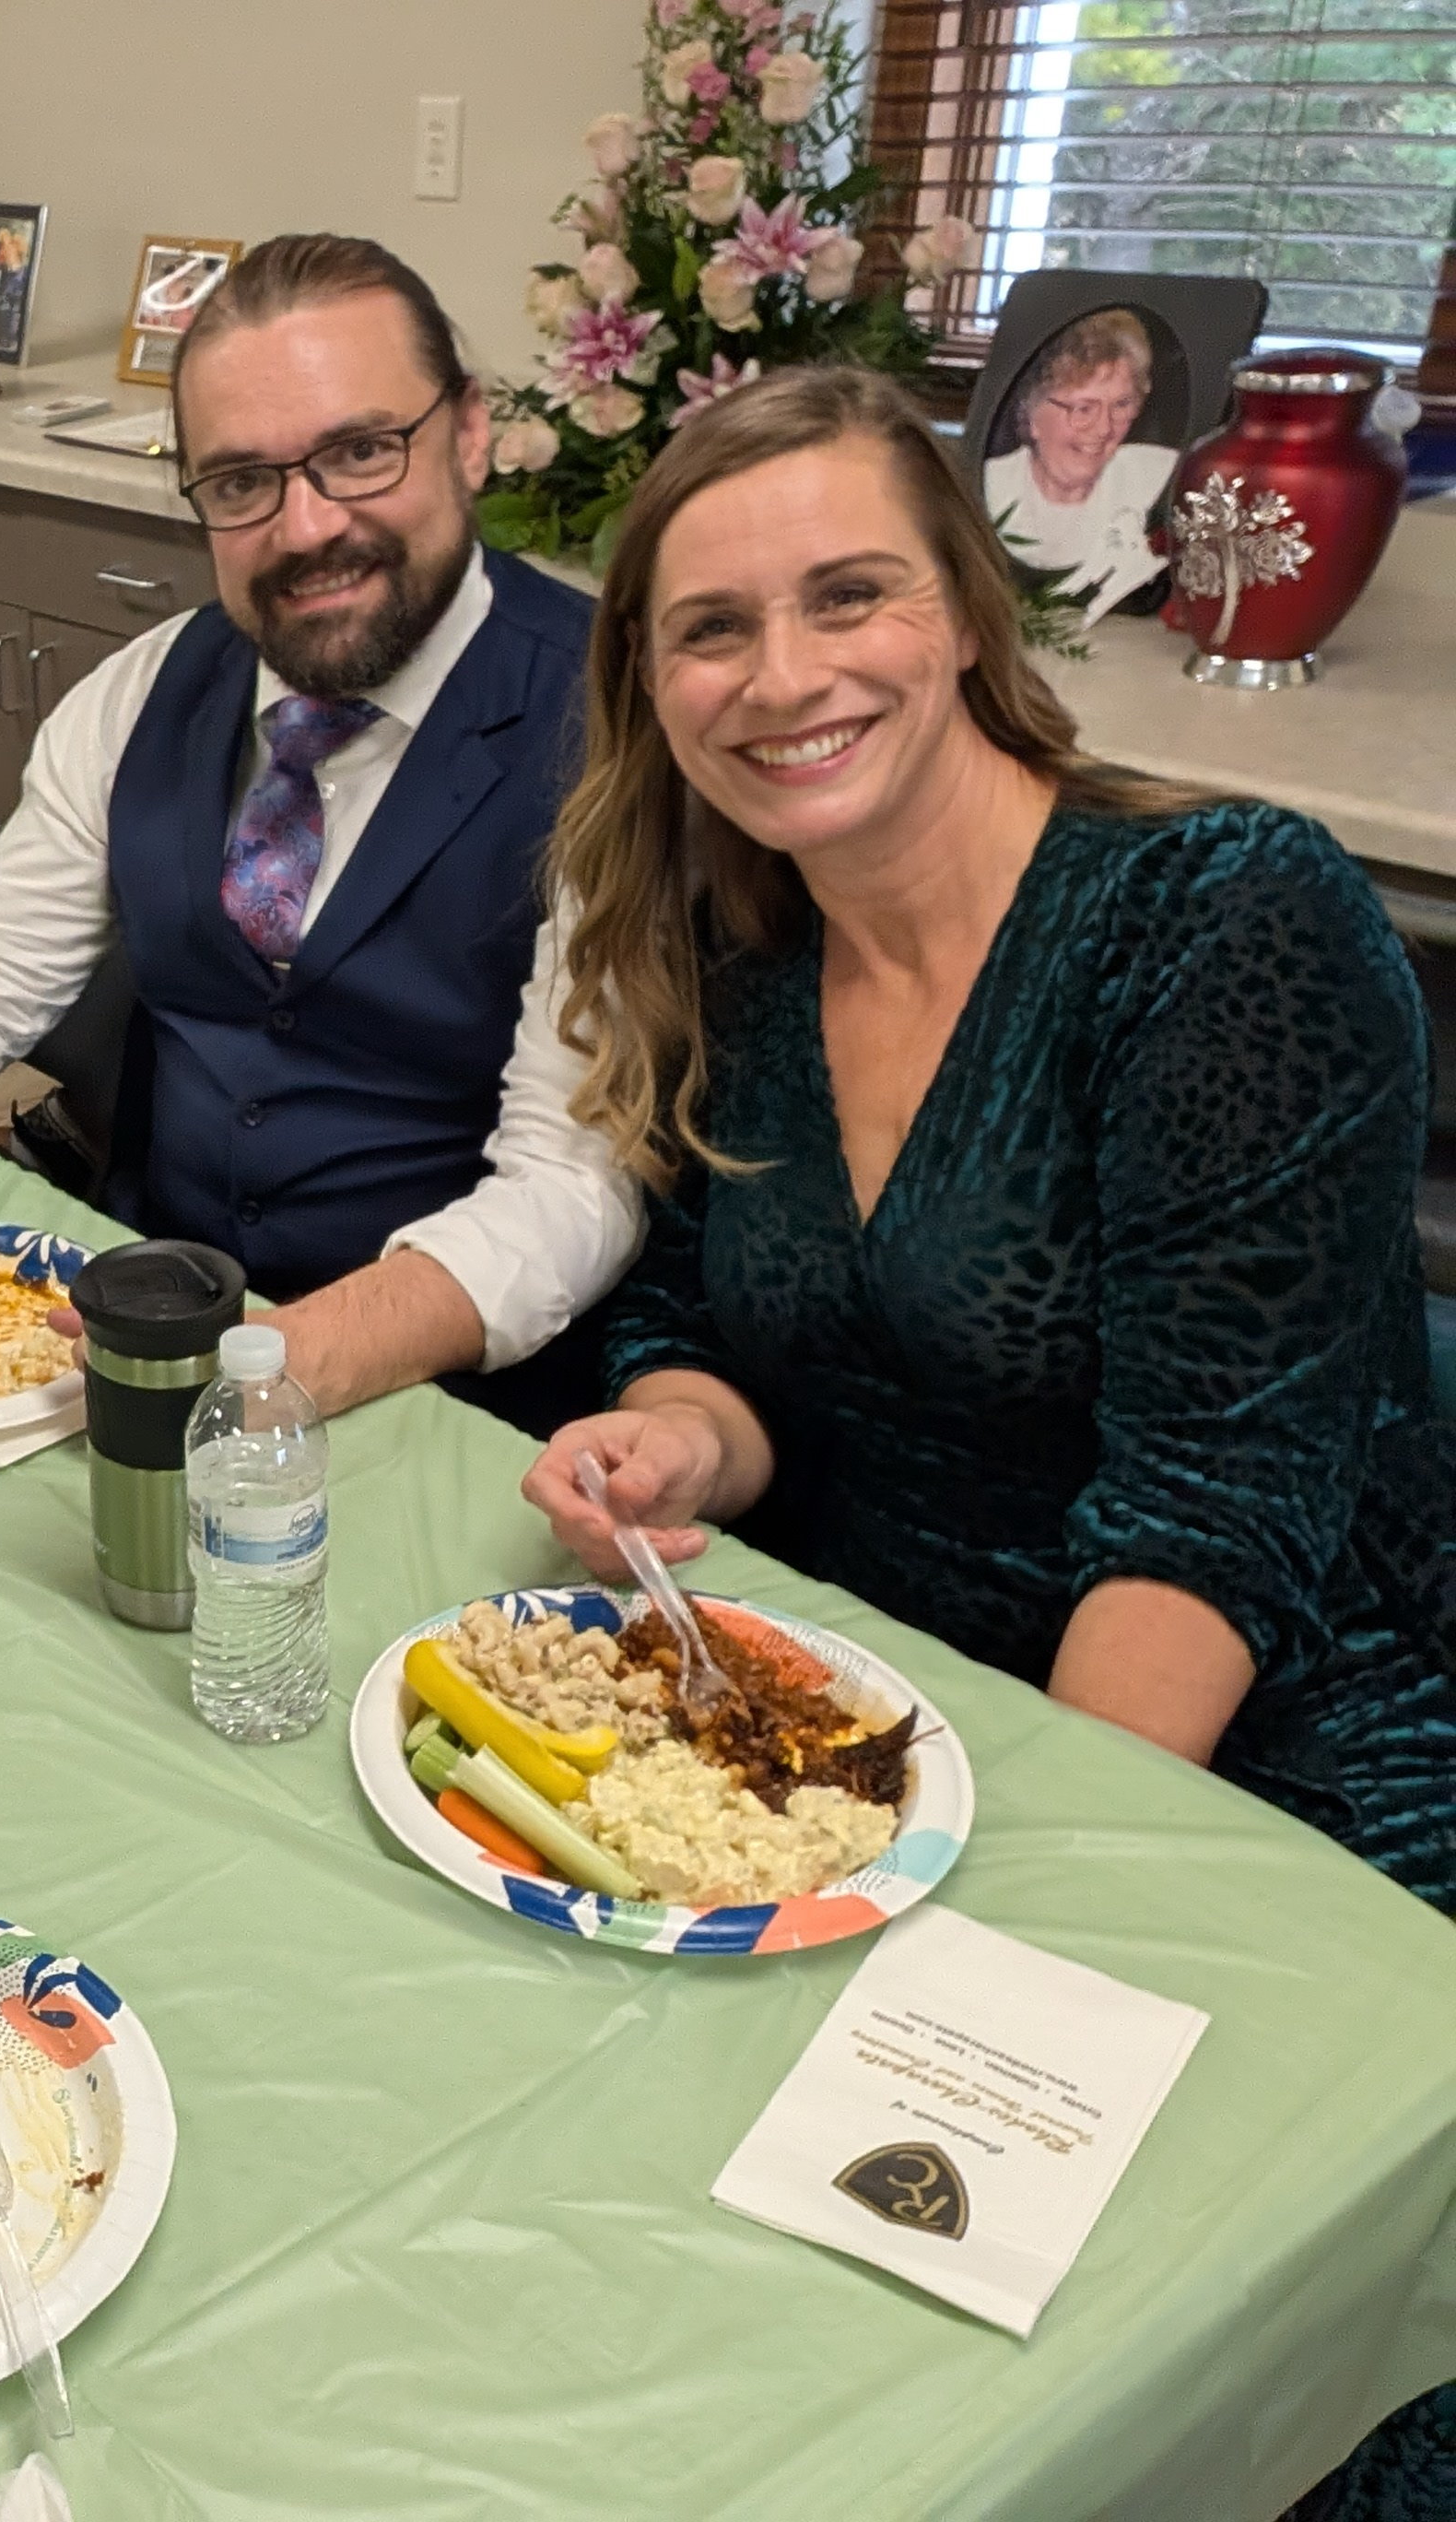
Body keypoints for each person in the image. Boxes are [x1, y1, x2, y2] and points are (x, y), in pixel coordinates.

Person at [517, 361, 1453, 2518]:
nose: (783, 678)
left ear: (960, 614)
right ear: (648, 685)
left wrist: (979, 1937)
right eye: (710, 629)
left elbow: (1219, 1516)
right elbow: (715, 1333)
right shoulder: (748, 955)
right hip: (891, 1741)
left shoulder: (1221, 922)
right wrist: (670, 1446)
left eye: (846, 595)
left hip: (1259, 1769)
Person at [0, 232, 639, 1432]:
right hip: (144, 1321)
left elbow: (575, 1182)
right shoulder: (143, 691)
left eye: (360, 452)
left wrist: (300, 1352)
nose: (306, 526)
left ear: (467, 435)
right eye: (243, 482)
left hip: (455, 1402)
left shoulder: (614, 732)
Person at [980, 309, 1175, 615]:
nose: (1104, 429)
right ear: (1031, 409)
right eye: (1084, 409)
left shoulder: (1159, 474)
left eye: (1122, 405)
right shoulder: (990, 487)